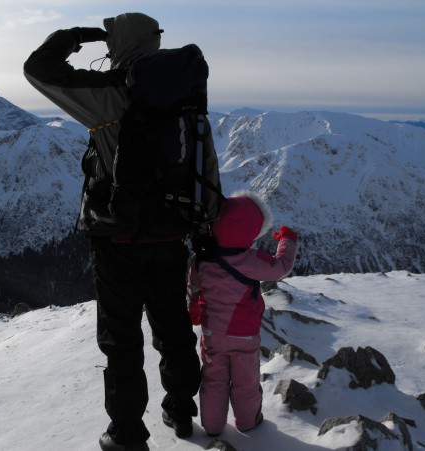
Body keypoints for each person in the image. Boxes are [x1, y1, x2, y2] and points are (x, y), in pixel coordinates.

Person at [24, 12, 221, 451]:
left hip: (117, 238)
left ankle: (127, 434)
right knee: (172, 324)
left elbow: (38, 69)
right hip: (172, 233)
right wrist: (206, 221)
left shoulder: (109, 95)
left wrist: (75, 37)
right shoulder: (188, 91)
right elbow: (203, 157)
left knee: (122, 337)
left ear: (120, 45)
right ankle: (181, 409)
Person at [187, 191, 298, 436]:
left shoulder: (202, 260)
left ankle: (213, 426)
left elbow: (194, 289)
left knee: (213, 380)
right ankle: (247, 422)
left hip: (212, 334)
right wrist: (287, 240)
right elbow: (280, 268)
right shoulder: (251, 260)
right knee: (245, 382)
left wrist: (194, 311)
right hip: (244, 335)